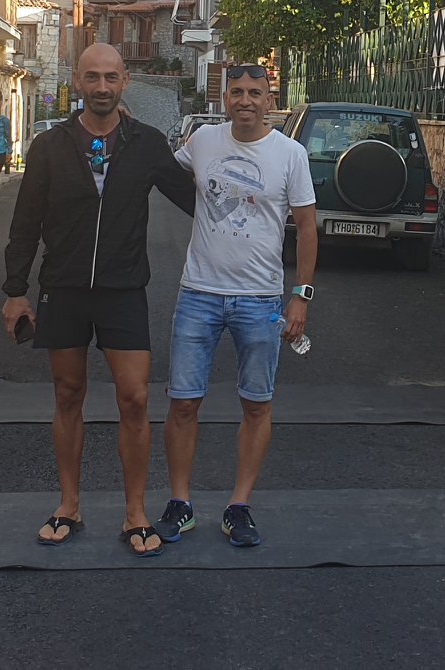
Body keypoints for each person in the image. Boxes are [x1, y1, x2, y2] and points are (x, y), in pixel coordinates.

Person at [0, 44, 194, 557]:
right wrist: (15, 291)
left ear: (125, 81)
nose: (102, 87)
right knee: (68, 395)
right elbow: (25, 223)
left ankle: (136, 513)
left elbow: (196, 200)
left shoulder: (146, 143)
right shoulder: (51, 145)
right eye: (93, 77)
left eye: (111, 77)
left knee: (135, 398)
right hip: (63, 288)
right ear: (78, 81)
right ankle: (69, 505)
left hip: (123, 289)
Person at [156, 65, 318, 549]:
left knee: (257, 403)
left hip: (260, 299)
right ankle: (180, 503)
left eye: (255, 92)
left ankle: (239, 506)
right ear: (225, 98)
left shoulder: (290, 154)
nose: (245, 100)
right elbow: (163, 172)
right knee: (183, 401)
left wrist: (301, 296)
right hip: (198, 293)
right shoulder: (204, 140)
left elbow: (307, 228)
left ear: (270, 100)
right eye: (237, 92)